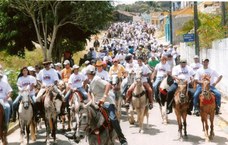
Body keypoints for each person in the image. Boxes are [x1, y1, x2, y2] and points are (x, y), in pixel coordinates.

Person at [87, 65, 128, 145]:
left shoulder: (97, 79)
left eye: (88, 74)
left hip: (107, 102)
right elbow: (89, 92)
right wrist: (90, 101)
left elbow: (108, 85)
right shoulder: (91, 82)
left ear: (90, 74)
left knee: (113, 119)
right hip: (96, 103)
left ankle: (121, 138)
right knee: (87, 115)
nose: (87, 75)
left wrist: (104, 97)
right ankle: (80, 133)